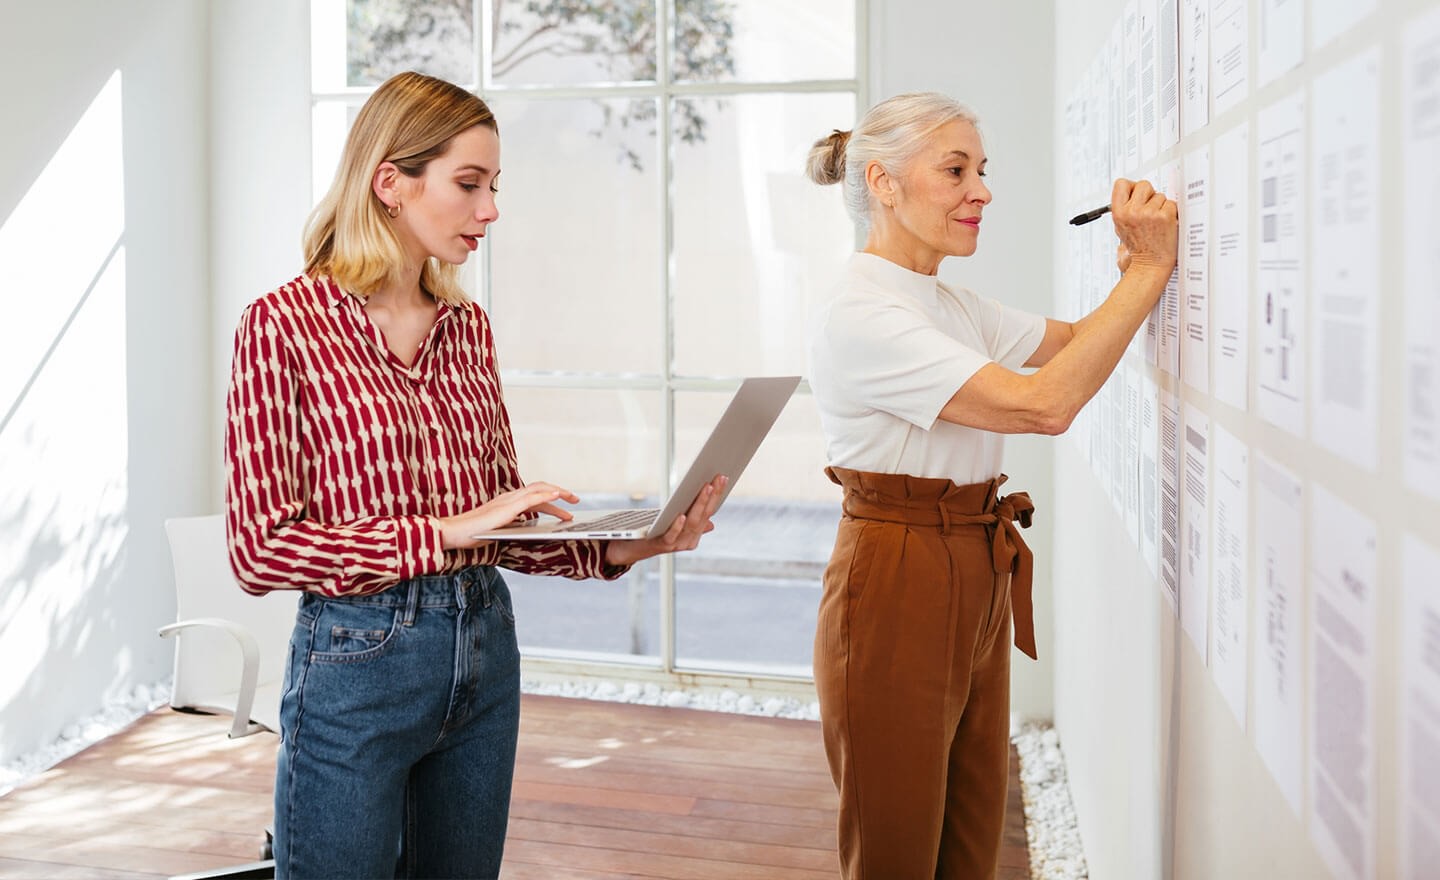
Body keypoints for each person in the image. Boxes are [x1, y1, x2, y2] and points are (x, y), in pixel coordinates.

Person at [224, 71, 725, 880]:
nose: (490, 208)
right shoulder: (281, 326)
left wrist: (633, 546)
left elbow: (499, 527)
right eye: (469, 184)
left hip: (485, 645)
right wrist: (444, 533)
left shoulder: (466, 329)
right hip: (357, 658)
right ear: (391, 182)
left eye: (493, 186)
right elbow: (260, 552)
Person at [803, 92, 1177, 878]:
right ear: (884, 182)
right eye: (956, 169)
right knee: (897, 849)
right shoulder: (862, 312)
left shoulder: (946, 303)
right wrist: (1147, 268)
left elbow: (1074, 345)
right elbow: (1044, 405)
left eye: (982, 169)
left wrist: (1134, 281)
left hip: (975, 560)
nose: (983, 190)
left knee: (969, 835)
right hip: (898, 570)